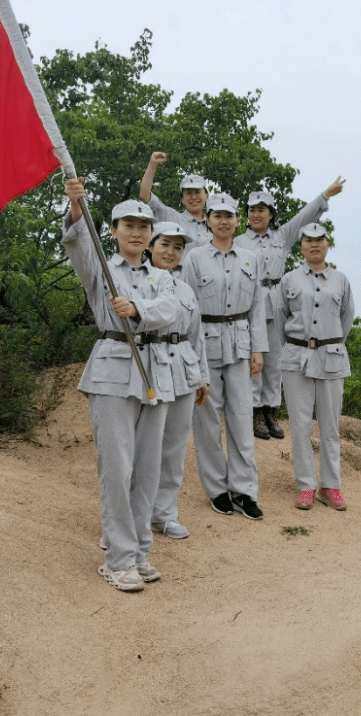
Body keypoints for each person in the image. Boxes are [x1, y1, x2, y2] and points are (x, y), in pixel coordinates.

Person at [62, 180, 178, 593]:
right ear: (112, 230)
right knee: (117, 468)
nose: (137, 232)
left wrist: (138, 308)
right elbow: (78, 246)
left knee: (147, 470)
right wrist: (77, 208)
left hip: (155, 373)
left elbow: (170, 310)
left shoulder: (162, 277)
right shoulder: (102, 269)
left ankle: (139, 551)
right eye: (128, 224)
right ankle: (118, 559)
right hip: (112, 370)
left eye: (144, 226)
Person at [235, 177, 346, 441]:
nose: (256, 214)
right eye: (251, 210)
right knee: (254, 358)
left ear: (271, 214)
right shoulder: (238, 241)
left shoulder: (282, 236)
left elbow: (304, 215)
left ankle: (270, 410)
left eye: (262, 210)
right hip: (250, 301)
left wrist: (325, 195)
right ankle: (254, 411)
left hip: (278, 301)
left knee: (275, 360)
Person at [179, 193, 267, 520]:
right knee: (207, 419)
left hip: (241, 343)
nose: (224, 221)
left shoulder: (250, 258)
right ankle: (217, 489)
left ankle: (245, 491)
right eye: (217, 215)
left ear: (237, 220)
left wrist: (259, 348)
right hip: (205, 343)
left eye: (229, 216)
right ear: (208, 220)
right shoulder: (194, 258)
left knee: (242, 418)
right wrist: (189, 353)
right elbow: (187, 305)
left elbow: (258, 306)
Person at [275, 222, 355, 511]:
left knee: (331, 427)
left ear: (327, 244)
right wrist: (300, 343)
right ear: (301, 246)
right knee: (299, 425)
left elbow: (347, 317)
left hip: (331, 356)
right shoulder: (290, 280)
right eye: (308, 240)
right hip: (296, 357)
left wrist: (328, 342)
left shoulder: (340, 280)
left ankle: (330, 486)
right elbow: (280, 313)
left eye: (319, 239)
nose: (314, 245)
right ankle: (306, 485)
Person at [146, 222, 211, 539]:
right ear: (150, 245)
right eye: (164, 244)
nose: (171, 252)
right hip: (150, 366)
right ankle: (138, 513)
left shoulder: (185, 289)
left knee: (173, 447)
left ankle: (165, 514)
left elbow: (196, 336)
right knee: (146, 446)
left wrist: (202, 376)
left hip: (184, 369)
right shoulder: (137, 282)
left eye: (177, 247)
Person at [138, 151, 211, 252]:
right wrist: (153, 164)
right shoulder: (171, 216)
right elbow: (145, 196)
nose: (193, 197)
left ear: (207, 196)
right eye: (188, 193)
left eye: (197, 192)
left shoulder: (216, 225)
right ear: (182, 199)